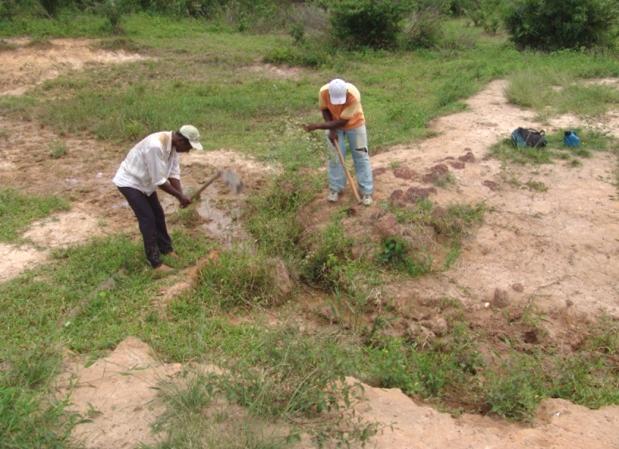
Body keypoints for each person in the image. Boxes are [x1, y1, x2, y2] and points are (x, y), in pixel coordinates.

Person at [113, 125, 203, 273]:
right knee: (147, 219)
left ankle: (166, 250)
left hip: (145, 183)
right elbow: (159, 181)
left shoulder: (173, 146)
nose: (188, 151)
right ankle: (155, 263)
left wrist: (181, 196)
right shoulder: (155, 146)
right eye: (189, 147)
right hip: (130, 182)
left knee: (158, 215)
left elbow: (173, 173)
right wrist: (179, 196)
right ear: (181, 140)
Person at [303, 78, 374, 206]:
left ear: (345, 92)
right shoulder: (323, 92)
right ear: (330, 93)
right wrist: (332, 130)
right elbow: (325, 110)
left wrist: (318, 126)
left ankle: (366, 191)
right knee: (334, 157)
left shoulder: (354, 95)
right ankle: (335, 189)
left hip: (355, 125)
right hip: (332, 124)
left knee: (361, 155)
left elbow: (343, 121)